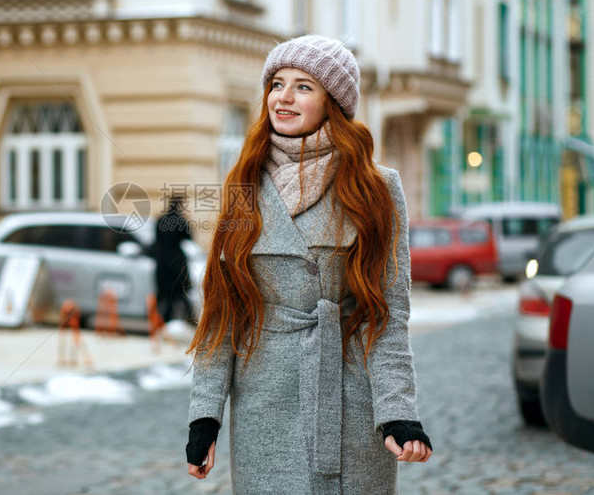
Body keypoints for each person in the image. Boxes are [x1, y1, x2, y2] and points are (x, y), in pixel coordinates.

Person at [185, 35, 432, 494]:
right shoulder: (244, 184)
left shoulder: (376, 187)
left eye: (303, 86)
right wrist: (205, 416)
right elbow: (223, 310)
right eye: (277, 84)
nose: (283, 96)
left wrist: (397, 411)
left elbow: (387, 314)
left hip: (349, 400)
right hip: (264, 401)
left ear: (333, 101)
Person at [153, 196, 192, 323]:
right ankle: (189, 319)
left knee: (164, 294)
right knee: (180, 294)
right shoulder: (181, 220)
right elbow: (188, 237)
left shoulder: (161, 220)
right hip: (176, 261)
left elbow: (156, 240)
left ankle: (162, 321)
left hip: (162, 261)